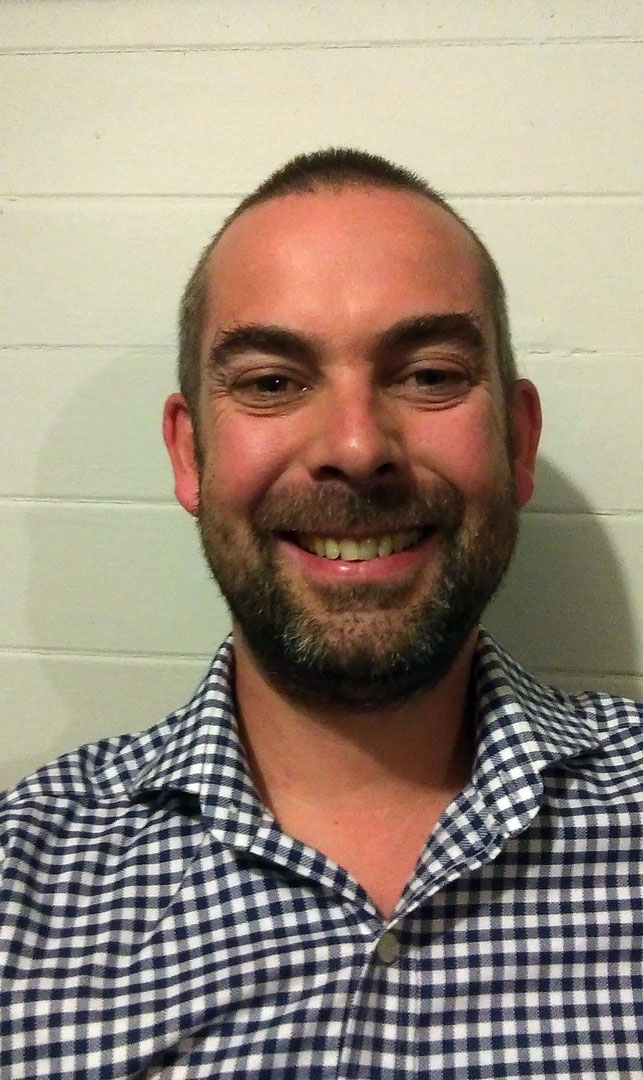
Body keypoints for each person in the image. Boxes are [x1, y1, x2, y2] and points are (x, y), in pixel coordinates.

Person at [1, 148, 640, 1079]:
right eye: (270, 382)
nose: (355, 445)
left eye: (428, 375)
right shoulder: (20, 886)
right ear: (188, 454)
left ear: (516, 440)